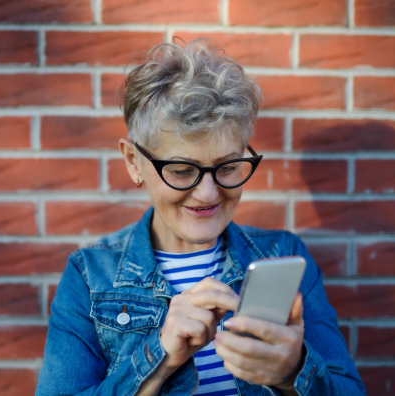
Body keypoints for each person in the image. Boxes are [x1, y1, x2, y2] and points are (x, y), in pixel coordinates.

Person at [36, 38, 365, 396]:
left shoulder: (283, 254)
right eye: (180, 170)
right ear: (134, 162)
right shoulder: (90, 277)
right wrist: (159, 359)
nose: (208, 194)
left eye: (227, 166)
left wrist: (293, 371)